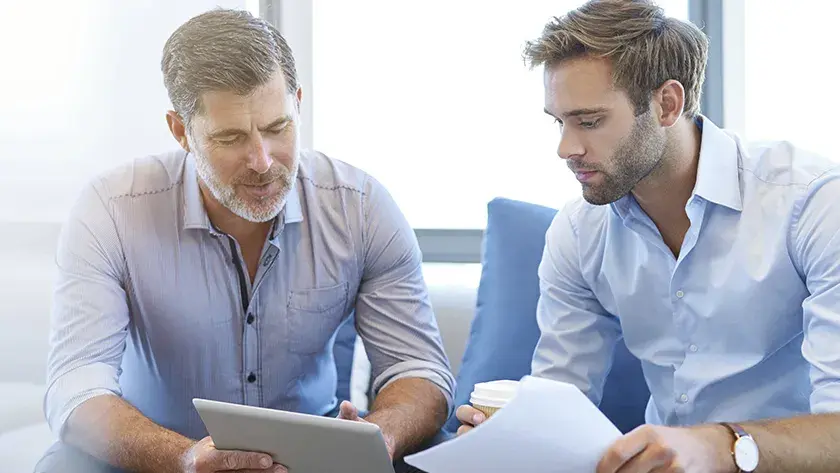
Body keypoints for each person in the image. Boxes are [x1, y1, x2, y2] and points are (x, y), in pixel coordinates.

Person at [35, 8, 454, 473]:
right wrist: (183, 458)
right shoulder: (110, 210)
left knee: (435, 446)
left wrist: (380, 435)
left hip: (314, 464)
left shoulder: (360, 207)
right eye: (231, 137)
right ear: (181, 132)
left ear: (297, 101)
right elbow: (76, 385)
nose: (261, 160)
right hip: (158, 458)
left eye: (277, 128)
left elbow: (419, 369)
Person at [456, 1, 840, 472]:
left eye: (590, 121)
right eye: (559, 122)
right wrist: (515, 438)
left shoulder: (812, 204)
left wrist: (721, 447)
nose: (565, 148)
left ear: (667, 104)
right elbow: (561, 402)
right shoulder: (579, 233)